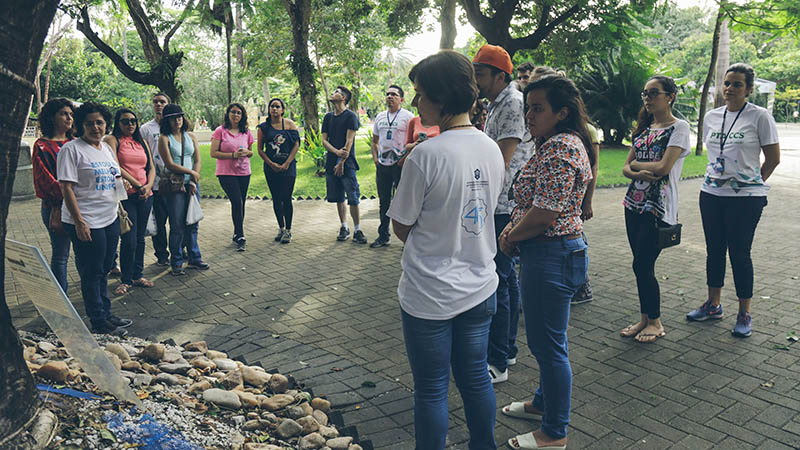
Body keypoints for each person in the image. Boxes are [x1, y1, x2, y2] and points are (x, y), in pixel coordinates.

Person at [387, 50, 504, 450]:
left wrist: (434, 235)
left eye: (420, 94)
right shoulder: (491, 147)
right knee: (475, 376)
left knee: (432, 388)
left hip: (430, 292)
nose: (416, 103)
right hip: (480, 284)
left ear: (440, 96)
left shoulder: (425, 155)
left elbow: (400, 224)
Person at [498, 75, 593, 450]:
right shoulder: (554, 143)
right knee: (548, 341)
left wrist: (510, 235)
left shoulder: (559, 149)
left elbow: (545, 212)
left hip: (552, 254)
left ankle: (555, 432)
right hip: (552, 253)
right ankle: (541, 403)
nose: (529, 115)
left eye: (538, 108)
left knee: (549, 346)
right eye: (528, 107)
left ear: (562, 112)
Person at [686, 63, 780, 337]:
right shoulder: (713, 117)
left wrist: (752, 183)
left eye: (737, 84)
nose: (729, 89)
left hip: (746, 199)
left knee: (739, 253)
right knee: (714, 250)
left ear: (749, 89)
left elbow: (773, 159)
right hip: (712, 194)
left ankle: (744, 312)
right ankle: (713, 305)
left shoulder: (760, 117)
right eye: (727, 83)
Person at [473, 44, 532, 384]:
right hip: (499, 202)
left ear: (500, 75)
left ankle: (499, 360)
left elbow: (501, 159)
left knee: (499, 278)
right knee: (505, 278)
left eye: (481, 73)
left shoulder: (512, 102)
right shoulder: (496, 103)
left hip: (504, 203)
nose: (476, 80)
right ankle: (506, 350)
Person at [620, 76, 691, 343]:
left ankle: (656, 322)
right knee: (639, 266)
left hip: (657, 207)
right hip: (633, 204)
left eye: (654, 93)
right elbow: (625, 168)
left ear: (670, 96)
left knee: (643, 263)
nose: (648, 98)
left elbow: (663, 168)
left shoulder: (679, 128)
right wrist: (637, 167)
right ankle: (645, 319)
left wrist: (638, 166)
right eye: (645, 94)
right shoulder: (644, 128)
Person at [57, 101, 132, 336]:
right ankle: (98, 322)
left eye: (99, 122)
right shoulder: (71, 149)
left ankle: (107, 314)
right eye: (89, 123)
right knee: (92, 272)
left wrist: (123, 183)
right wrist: (79, 221)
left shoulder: (105, 148)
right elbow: (66, 188)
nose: (95, 127)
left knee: (104, 270)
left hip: (109, 217)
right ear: (80, 126)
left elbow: (113, 175)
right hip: (87, 220)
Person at [104, 108, 156, 295]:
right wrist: (137, 184)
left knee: (140, 237)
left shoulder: (140, 141)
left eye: (133, 121)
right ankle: (125, 279)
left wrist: (148, 186)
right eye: (125, 121)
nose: (130, 124)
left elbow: (151, 167)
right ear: (118, 123)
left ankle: (137, 274)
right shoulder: (112, 140)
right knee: (129, 238)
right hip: (127, 196)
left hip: (145, 195)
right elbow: (114, 165)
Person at [157, 104, 209, 275]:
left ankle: (195, 257)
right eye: (173, 118)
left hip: (192, 184)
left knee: (193, 221)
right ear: (167, 120)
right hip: (176, 185)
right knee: (177, 224)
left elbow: (198, 159)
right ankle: (177, 261)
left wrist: (194, 178)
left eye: (179, 116)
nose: (177, 120)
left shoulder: (191, 136)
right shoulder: (164, 138)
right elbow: (169, 163)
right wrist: (190, 173)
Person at [32, 97, 74, 292]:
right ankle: (62, 298)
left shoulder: (77, 142)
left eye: (71, 114)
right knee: (61, 255)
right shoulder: (42, 145)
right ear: (51, 117)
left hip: (84, 206)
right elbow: (44, 181)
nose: (69, 118)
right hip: (57, 207)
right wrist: (71, 195)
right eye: (63, 114)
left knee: (85, 253)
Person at [370, 85, 413, 248]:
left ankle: (407, 239)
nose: (389, 97)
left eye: (394, 94)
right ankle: (383, 236)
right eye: (387, 94)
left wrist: (404, 160)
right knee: (384, 201)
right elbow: (374, 141)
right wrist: (375, 159)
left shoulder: (408, 116)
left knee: (404, 202)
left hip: (400, 165)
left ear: (401, 99)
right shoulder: (380, 117)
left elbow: (411, 141)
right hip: (382, 165)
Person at [322, 86, 365, 244]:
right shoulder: (328, 117)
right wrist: (336, 153)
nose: (333, 93)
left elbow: (349, 141)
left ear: (344, 98)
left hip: (348, 164)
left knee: (353, 197)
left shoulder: (350, 116)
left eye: (336, 92)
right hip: (332, 162)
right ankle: (344, 227)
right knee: (338, 197)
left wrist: (341, 162)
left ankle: (358, 230)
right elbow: (324, 140)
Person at [211, 102, 254, 251]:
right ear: (228, 114)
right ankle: (241, 235)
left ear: (242, 116)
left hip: (243, 171)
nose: (235, 115)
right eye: (233, 112)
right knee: (236, 201)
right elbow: (213, 153)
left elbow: (251, 151)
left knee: (241, 202)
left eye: (238, 113)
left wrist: (246, 153)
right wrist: (233, 155)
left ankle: (237, 233)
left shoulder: (246, 132)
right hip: (226, 172)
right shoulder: (220, 131)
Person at [257, 98, 300, 243]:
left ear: (283, 109)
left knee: (286, 197)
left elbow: (296, 144)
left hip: (288, 167)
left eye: (277, 106)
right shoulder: (263, 127)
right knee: (276, 198)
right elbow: (260, 150)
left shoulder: (289, 124)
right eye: (272, 106)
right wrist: (271, 163)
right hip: (271, 168)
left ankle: (288, 230)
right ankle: (281, 228)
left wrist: (288, 162)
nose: (274, 109)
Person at [140, 92, 171, 266]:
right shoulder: (146, 129)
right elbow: (143, 154)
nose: (158, 104)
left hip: (174, 182)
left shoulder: (174, 126)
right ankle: (161, 255)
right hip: (156, 183)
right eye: (156, 102)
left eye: (162, 102)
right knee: (159, 222)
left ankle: (179, 250)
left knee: (176, 220)